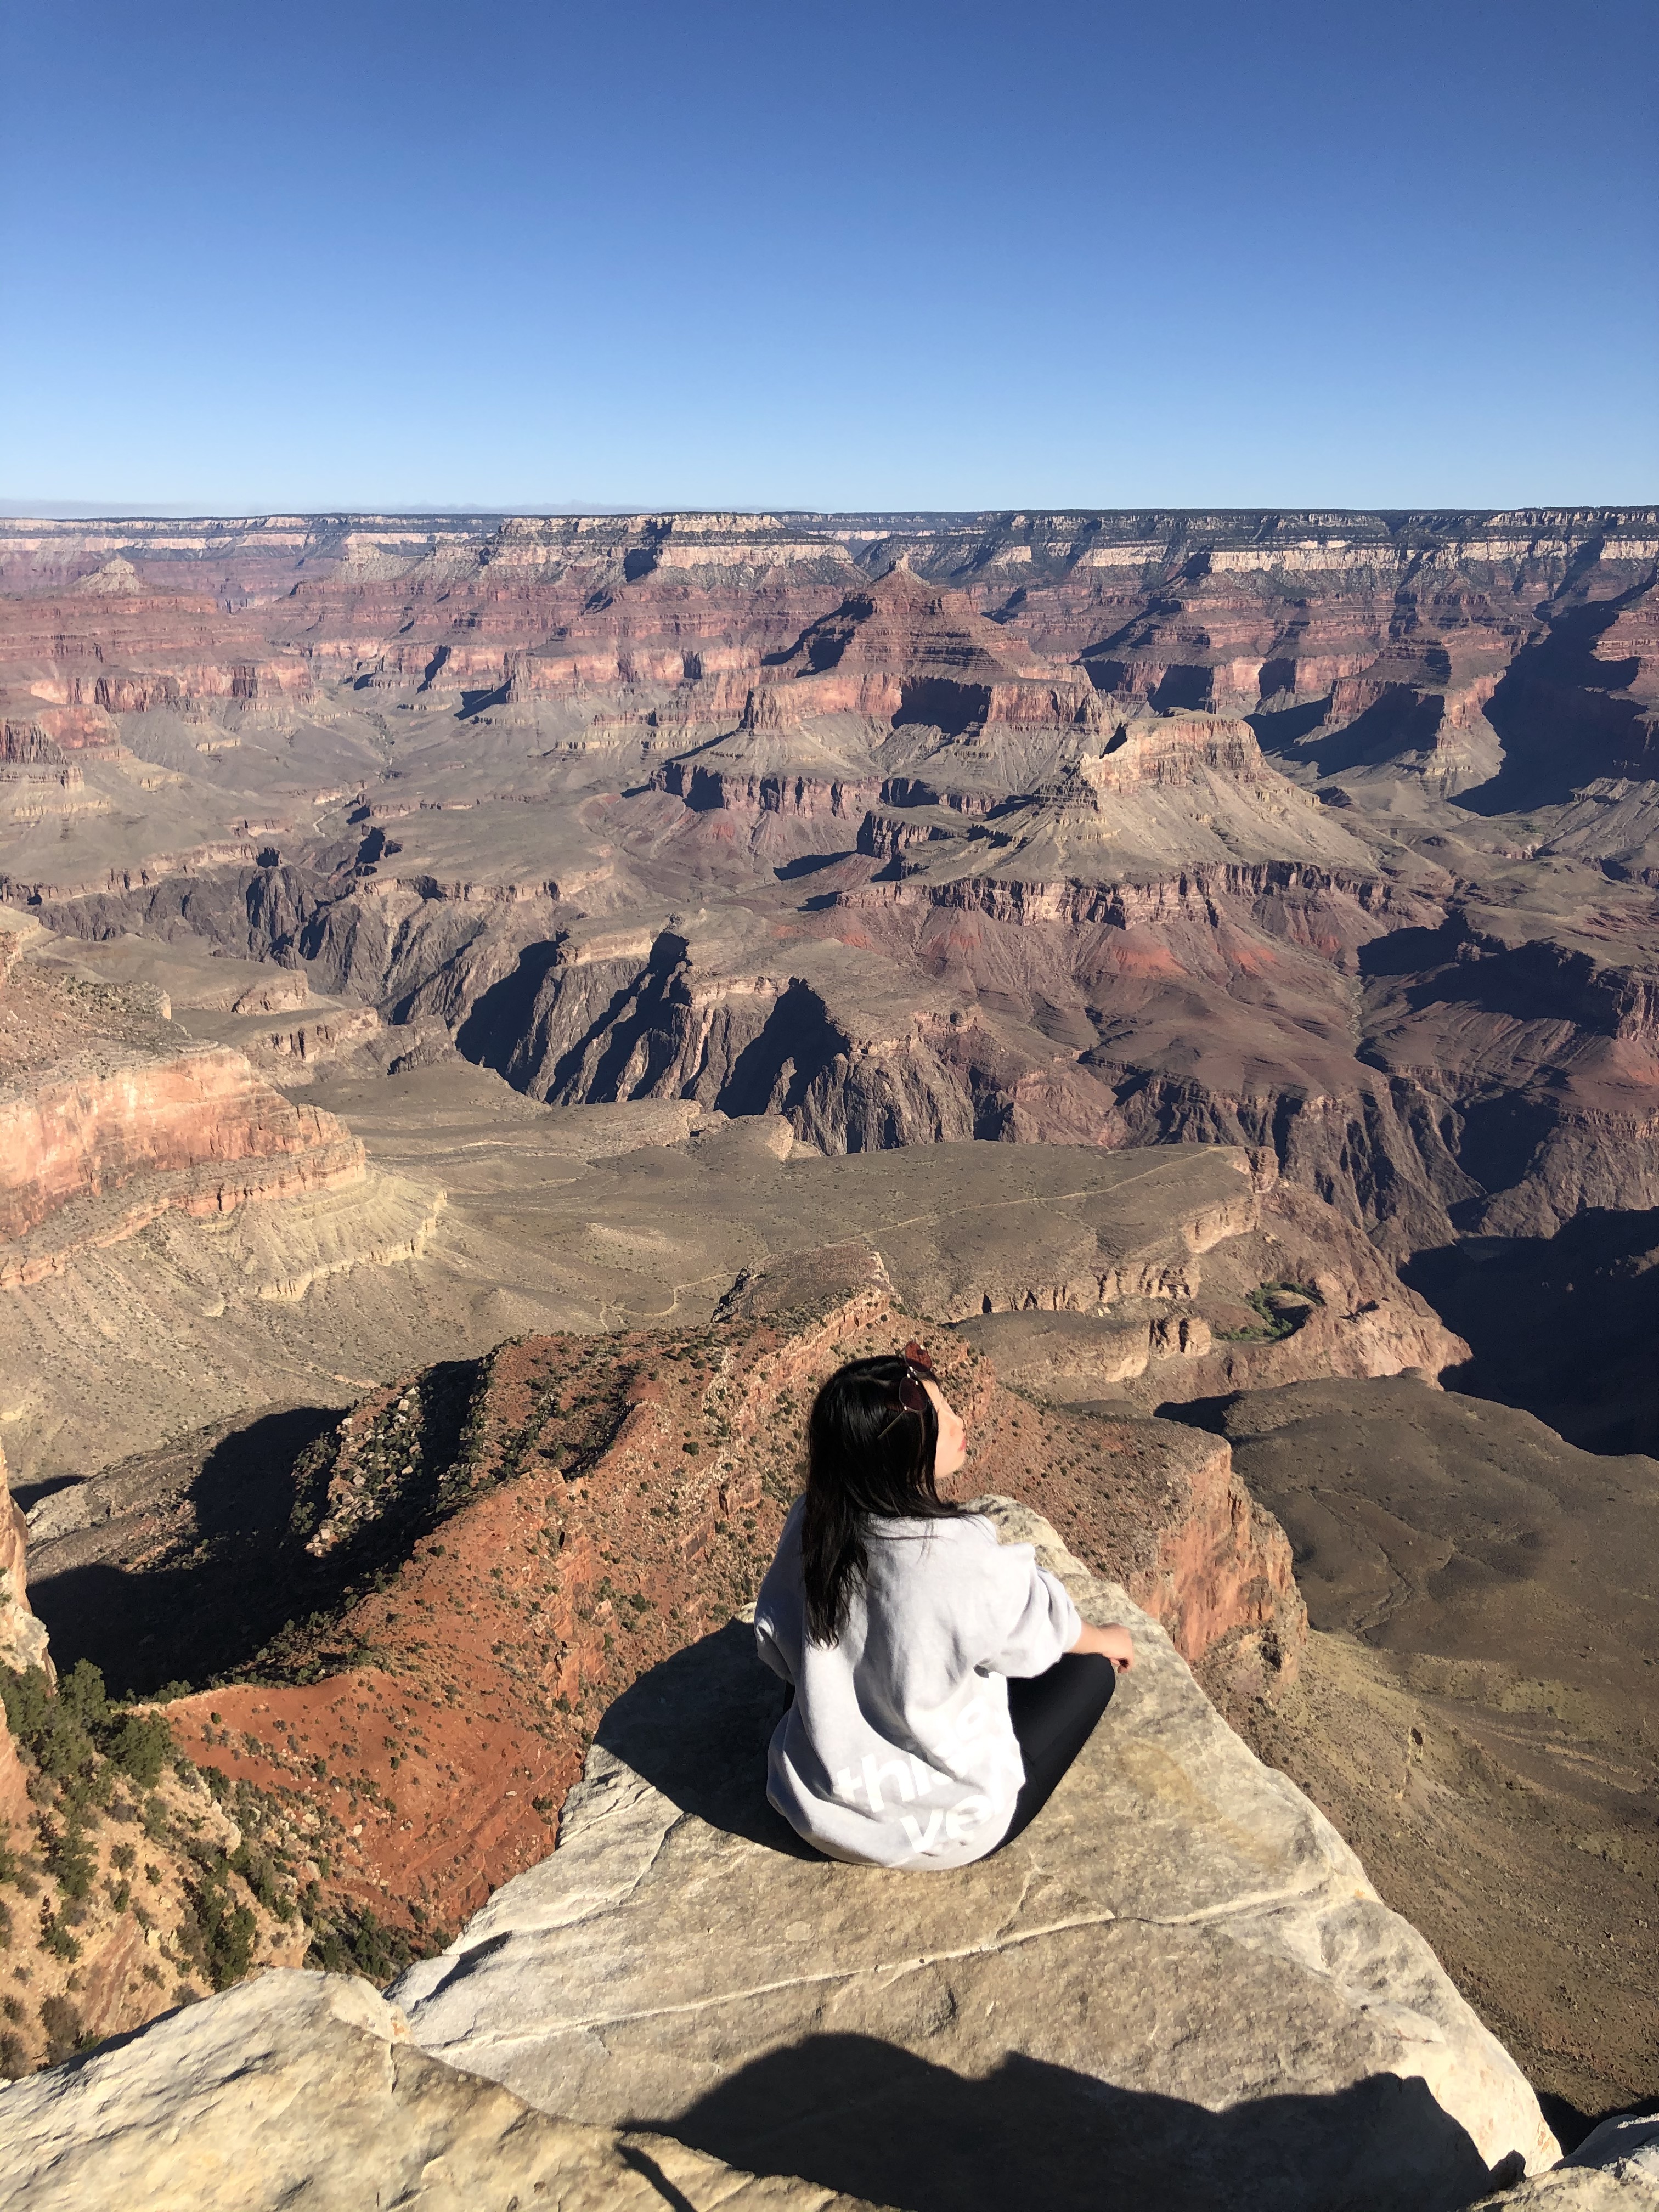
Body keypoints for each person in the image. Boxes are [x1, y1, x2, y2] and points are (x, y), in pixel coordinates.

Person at [754, 1342, 1134, 1869]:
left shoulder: (814, 1522)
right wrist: (1109, 1638)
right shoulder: (953, 1557)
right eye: (942, 1416)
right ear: (901, 1451)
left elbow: (776, 1646)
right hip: (945, 1829)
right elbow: (1043, 1627)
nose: (959, 1422)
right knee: (1090, 1671)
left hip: (817, 1807)